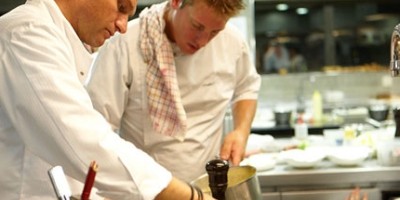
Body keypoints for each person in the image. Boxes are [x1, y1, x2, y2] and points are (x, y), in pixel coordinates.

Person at [0, 0, 213, 199]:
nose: (123, 27)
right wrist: (190, 195)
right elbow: (86, 141)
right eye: (121, 7)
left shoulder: (57, 37)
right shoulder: (26, 33)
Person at [86, 0, 261, 182]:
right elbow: (97, 127)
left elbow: (247, 87)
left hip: (209, 186)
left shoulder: (232, 42)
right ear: (176, 2)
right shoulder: (125, 44)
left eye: (214, 32)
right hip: (146, 189)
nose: (202, 41)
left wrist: (241, 131)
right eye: (197, 26)